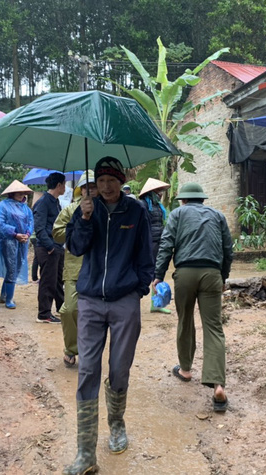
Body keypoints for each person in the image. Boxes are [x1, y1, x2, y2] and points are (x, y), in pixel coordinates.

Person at [63, 156, 154, 475]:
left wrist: (140, 288)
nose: (105, 186)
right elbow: (75, 248)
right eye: (100, 181)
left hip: (124, 299)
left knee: (119, 369)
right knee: (88, 369)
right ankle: (85, 452)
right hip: (89, 299)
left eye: (111, 180)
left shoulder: (136, 210)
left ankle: (117, 425)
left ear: (119, 181)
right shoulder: (85, 208)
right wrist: (85, 219)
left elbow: (146, 251)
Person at [153, 182, 233, 412]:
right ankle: (218, 384)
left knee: (185, 320)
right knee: (214, 327)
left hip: (185, 273)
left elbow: (166, 245)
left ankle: (186, 370)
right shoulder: (217, 215)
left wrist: (159, 275)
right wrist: (223, 277)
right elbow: (228, 248)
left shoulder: (177, 214)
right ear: (203, 200)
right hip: (212, 273)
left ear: (184, 200)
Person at [52, 172, 97, 368]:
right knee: (70, 309)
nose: (90, 190)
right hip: (74, 268)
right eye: (86, 187)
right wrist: (80, 221)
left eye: (93, 186)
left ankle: (91, 350)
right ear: (81, 189)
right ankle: (71, 348)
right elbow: (57, 234)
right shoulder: (71, 209)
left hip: (99, 269)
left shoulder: (106, 209)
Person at [0, 180, 34, 309]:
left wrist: (27, 233)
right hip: (8, 241)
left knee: (16, 268)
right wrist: (15, 234)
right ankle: (9, 299)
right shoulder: (3, 206)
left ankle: (4, 294)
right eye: (18, 192)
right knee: (11, 268)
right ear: (12, 193)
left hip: (22, 242)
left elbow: (31, 222)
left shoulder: (26, 208)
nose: (21, 194)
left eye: (23, 192)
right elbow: (0, 223)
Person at [34, 172, 66, 323]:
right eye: (64, 184)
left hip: (57, 246)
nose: (65, 187)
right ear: (59, 185)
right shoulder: (43, 202)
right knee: (48, 281)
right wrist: (50, 246)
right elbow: (39, 228)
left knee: (59, 280)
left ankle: (62, 308)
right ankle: (44, 314)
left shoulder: (56, 202)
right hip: (48, 248)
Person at [139, 177, 172, 314]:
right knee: (146, 272)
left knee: (157, 273)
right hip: (148, 243)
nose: (160, 194)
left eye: (161, 191)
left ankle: (156, 304)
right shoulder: (143, 205)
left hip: (159, 241)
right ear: (151, 192)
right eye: (158, 191)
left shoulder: (158, 205)